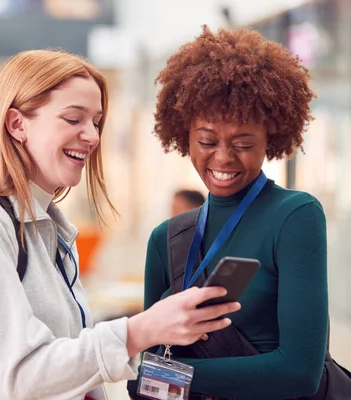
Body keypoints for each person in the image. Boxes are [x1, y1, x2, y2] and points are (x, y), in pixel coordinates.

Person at [0, 49, 240, 400]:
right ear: (17, 124)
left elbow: (66, 364)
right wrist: (140, 330)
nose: (93, 137)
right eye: (73, 119)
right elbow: (22, 376)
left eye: (95, 122)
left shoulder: (47, 226)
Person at [128, 26, 327, 399]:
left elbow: (300, 372)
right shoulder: (166, 239)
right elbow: (150, 365)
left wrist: (172, 377)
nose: (222, 158)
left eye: (243, 144)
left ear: (271, 138)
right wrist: (155, 377)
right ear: (184, 135)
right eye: (206, 141)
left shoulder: (295, 216)